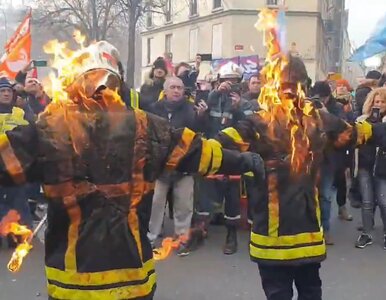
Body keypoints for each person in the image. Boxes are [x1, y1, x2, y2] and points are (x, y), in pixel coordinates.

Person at [0, 41, 264, 300]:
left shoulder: (51, 128)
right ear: (119, 84)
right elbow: (198, 153)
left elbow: (6, 163)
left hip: (73, 281)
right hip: (131, 275)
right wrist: (244, 161)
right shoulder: (146, 127)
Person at [219, 46, 386, 298]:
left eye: (293, 83)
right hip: (278, 230)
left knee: (304, 291)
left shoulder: (315, 119)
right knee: (290, 292)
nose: (288, 90)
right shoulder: (258, 122)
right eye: (284, 83)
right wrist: (244, 160)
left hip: (298, 229)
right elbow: (220, 148)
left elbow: (357, 134)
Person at [194, 62, 254, 255]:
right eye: (226, 81)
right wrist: (206, 107)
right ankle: (200, 229)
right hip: (212, 152)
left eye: (234, 82)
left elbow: (249, 128)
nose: (229, 85)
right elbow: (202, 125)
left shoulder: (246, 104)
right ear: (218, 81)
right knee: (205, 192)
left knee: (232, 195)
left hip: (233, 155)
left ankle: (231, 236)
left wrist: (237, 109)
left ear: (240, 83)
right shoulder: (211, 99)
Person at [147, 77, 208, 256]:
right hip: (160, 167)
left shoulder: (192, 110)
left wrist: (201, 117)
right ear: (165, 90)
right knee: (155, 203)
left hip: (184, 165)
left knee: (184, 205)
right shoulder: (153, 109)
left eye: (179, 88)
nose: (176, 91)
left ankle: (182, 239)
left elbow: (200, 135)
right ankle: (150, 238)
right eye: (172, 87)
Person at [0, 77, 33, 248]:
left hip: (16, 167)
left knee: (19, 202)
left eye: (8, 91)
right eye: (2, 91)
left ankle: (19, 236)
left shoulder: (19, 112)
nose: (6, 94)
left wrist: (9, 138)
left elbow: (30, 132)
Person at [355, 87, 386, 249]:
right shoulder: (362, 119)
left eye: (382, 102)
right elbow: (356, 142)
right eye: (376, 101)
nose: (379, 105)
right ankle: (366, 234)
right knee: (367, 202)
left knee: (383, 201)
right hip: (365, 166)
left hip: (383, 169)